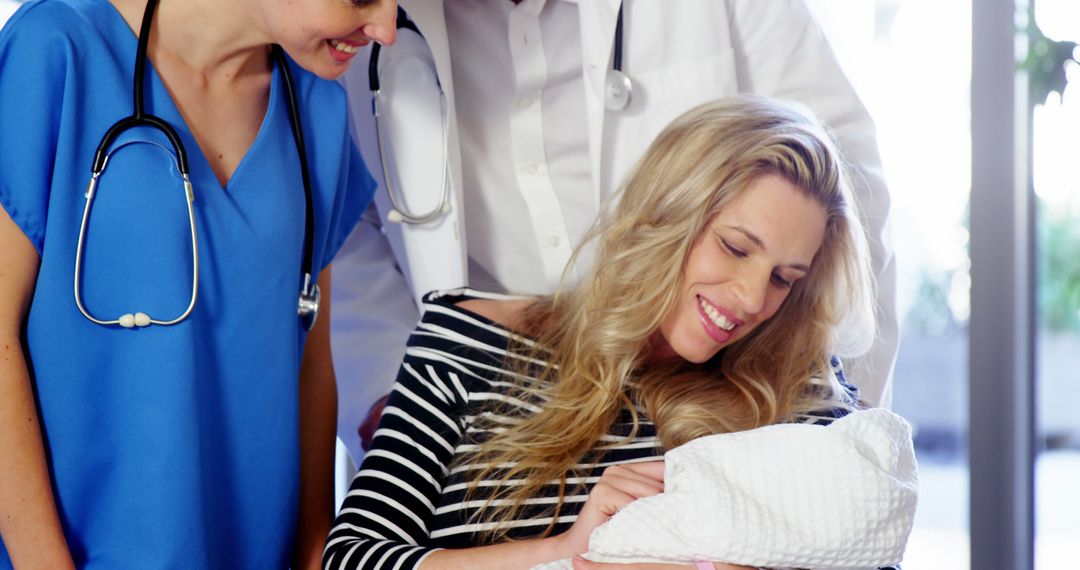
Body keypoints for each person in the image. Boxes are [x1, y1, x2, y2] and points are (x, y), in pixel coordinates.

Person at [323, 97, 901, 570]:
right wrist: (563, 553)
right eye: (734, 247)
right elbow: (353, 558)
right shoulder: (465, 342)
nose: (753, 300)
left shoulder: (794, 388)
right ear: (663, 215)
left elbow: (869, 550)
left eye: (783, 278)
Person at [330, 0, 899, 464]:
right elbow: (350, 221)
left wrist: (840, 430)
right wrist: (391, 385)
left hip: (697, 406)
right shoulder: (370, 27)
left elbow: (841, 190)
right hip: (482, 402)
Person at [0, 0, 395, 568]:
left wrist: (315, 554)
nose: (385, 29)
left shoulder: (317, 109)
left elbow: (310, 360)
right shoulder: (55, 51)